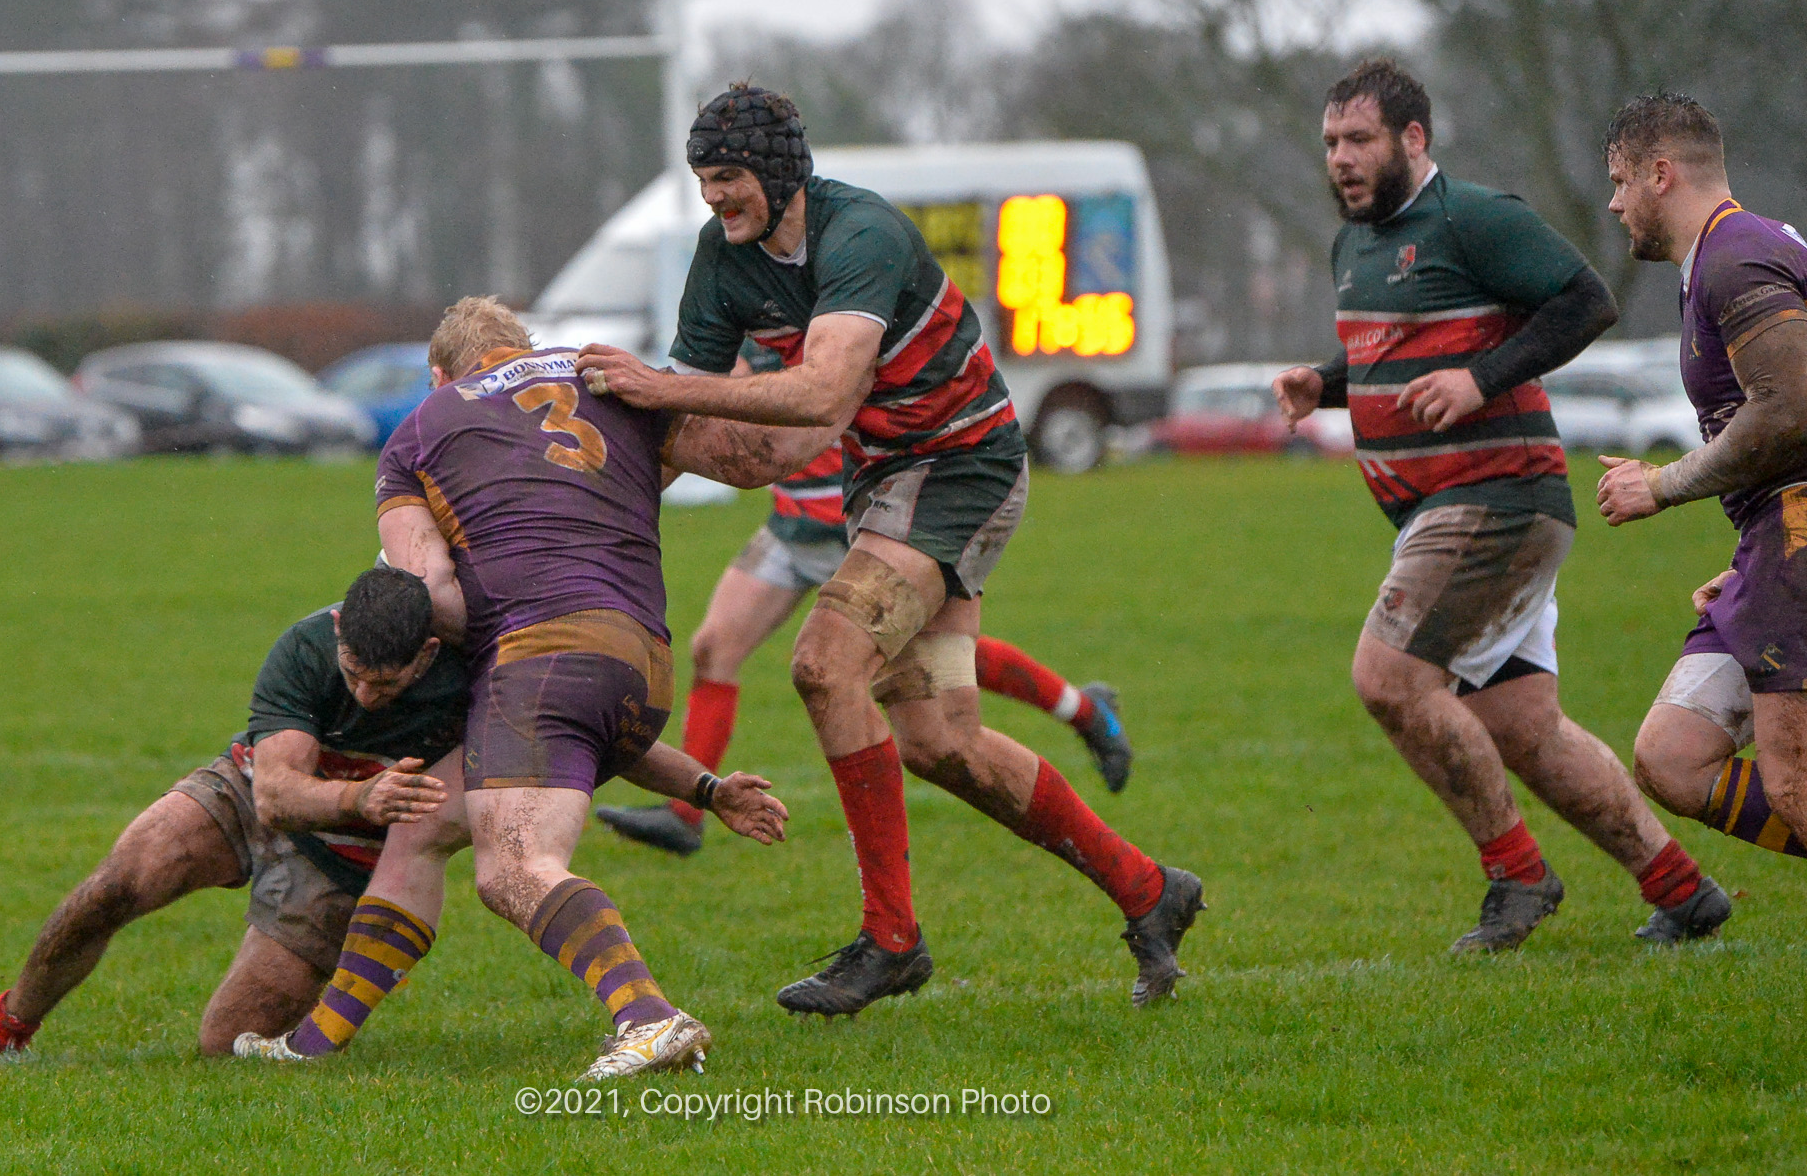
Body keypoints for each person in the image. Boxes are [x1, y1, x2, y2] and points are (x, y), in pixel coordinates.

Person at [576, 83, 1202, 1014]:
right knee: (945, 744)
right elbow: (688, 420)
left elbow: (822, 394)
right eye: (704, 180)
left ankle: (892, 939)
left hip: (963, 469)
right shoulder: (722, 256)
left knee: (824, 663)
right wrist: (586, 507)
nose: (715, 197)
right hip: (886, 481)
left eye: (730, 177)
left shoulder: (860, 234)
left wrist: (661, 390)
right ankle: (1151, 890)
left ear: (781, 171)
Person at [237, 297, 805, 1079]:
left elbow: (432, 589)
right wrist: (707, 788)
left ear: (439, 374)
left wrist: (454, 625)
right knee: (422, 826)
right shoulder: (606, 378)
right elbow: (750, 458)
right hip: (642, 655)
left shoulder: (422, 427)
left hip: (541, 651)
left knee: (512, 866)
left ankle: (648, 1016)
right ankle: (311, 1045)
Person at [1272, 59, 1726, 952]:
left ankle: (1519, 875)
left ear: (1413, 138)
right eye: (1329, 143)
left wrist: (1482, 380)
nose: (1340, 159)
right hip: (1446, 511)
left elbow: (1585, 301)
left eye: (1359, 139)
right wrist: (1323, 383)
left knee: (1389, 677)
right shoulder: (1351, 246)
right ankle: (1684, 890)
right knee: (1523, 726)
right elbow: (1393, 359)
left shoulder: (1472, 217)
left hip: (1496, 497)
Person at [0, 567, 474, 1068]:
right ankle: (4, 1035)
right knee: (119, 882)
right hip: (251, 789)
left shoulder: (475, 680)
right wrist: (359, 798)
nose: (366, 695)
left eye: (386, 684)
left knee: (228, 1044)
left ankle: (318, 1011)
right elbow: (275, 796)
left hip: (342, 860)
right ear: (337, 631)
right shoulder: (306, 647)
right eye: (353, 673)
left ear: (426, 654)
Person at [597, 350, 1132, 858]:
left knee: (936, 664)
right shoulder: (744, 314)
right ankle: (685, 815)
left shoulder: (832, 320)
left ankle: (1088, 711)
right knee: (714, 647)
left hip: (858, 528)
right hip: (792, 526)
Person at [1596, 93, 1807, 873]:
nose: (1614, 203)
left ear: (1661, 174)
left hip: (1795, 527)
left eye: (1620, 181)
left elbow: (1790, 408)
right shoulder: (1725, 256)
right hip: (1780, 535)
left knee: (1796, 787)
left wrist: (1662, 484)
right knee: (1673, 755)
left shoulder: (1734, 256)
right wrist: (1756, 559)